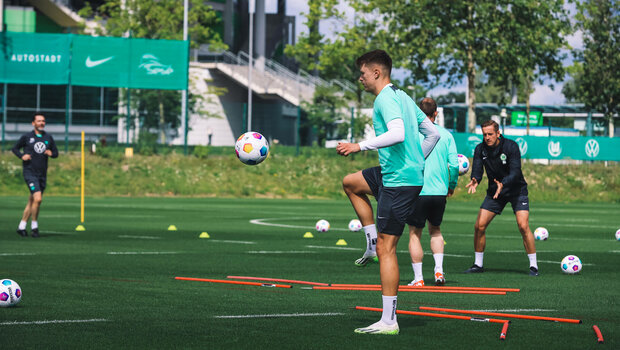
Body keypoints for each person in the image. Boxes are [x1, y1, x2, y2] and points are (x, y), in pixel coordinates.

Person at [337, 50, 440, 335]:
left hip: (398, 181)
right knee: (350, 183)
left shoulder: (385, 99)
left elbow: (397, 134)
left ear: (377, 73)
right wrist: (417, 160)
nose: (360, 79)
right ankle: (370, 240)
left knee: (388, 248)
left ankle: (389, 320)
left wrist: (359, 146)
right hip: (393, 173)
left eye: (363, 73)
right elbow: (433, 134)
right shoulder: (404, 96)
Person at [464, 120, 538, 276]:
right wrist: (475, 179)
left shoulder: (511, 146)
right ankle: (478, 264)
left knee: (523, 226)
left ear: (498, 133)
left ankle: (533, 266)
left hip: (516, 190)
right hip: (495, 192)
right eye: (484, 134)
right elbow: (477, 168)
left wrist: (503, 183)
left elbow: (516, 172)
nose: (487, 137)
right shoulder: (480, 149)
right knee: (479, 226)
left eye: (490, 134)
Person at [407, 97, 459, 287]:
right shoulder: (446, 135)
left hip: (417, 191)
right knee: (435, 231)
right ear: (436, 113)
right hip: (439, 192)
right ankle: (439, 272)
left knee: (414, 234)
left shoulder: (412, 134)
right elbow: (454, 165)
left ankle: (419, 278)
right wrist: (451, 185)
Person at [12, 114, 58, 238]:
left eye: (43, 121)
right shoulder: (27, 137)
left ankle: (21, 227)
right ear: (33, 123)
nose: (41, 123)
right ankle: (34, 227)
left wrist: (51, 153)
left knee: (32, 200)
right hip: (30, 172)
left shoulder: (48, 137)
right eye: (39, 121)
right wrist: (22, 156)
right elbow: (15, 148)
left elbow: (56, 153)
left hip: (42, 174)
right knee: (38, 199)